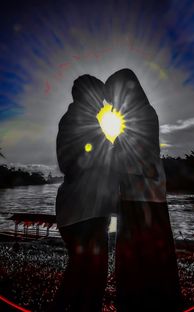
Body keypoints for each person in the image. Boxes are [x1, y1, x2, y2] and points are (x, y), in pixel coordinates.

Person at [49, 69, 183, 312]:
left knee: (91, 272)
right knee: (91, 273)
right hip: (95, 210)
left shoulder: (139, 116)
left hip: (136, 203)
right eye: (103, 99)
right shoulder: (80, 122)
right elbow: (84, 162)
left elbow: (135, 160)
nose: (107, 106)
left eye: (109, 99)